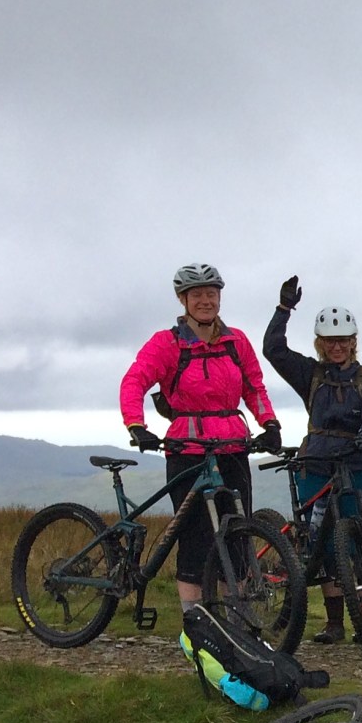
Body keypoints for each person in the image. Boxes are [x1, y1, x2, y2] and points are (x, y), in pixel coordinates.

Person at [119, 262, 280, 611]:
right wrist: (136, 425)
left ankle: (237, 618)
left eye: (211, 294)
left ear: (220, 298)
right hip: (187, 449)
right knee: (194, 538)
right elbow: (134, 381)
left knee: (236, 531)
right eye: (197, 295)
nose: (205, 301)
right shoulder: (167, 344)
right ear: (183, 299)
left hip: (234, 447)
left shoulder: (236, 341)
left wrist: (269, 423)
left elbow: (254, 387)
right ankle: (194, 621)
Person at [262, 276, 362, 644]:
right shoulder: (312, 375)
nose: (337, 347)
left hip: (357, 464)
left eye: (344, 341)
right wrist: (283, 309)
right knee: (320, 542)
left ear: (354, 342)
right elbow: (273, 350)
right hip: (316, 464)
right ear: (321, 344)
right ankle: (334, 623)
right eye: (330, 341)